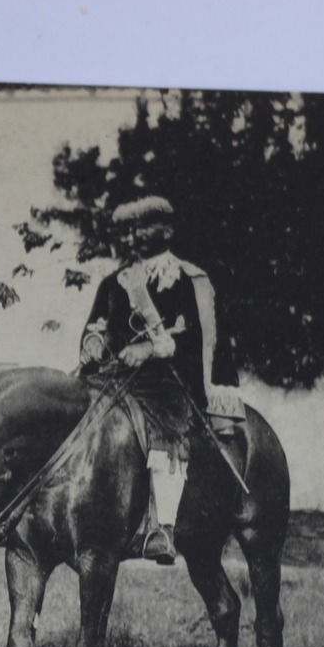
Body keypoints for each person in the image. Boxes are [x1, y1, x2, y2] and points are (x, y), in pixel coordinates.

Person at [78, 195, 243, 563]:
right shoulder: (115, 282)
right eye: (131, 228)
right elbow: (97, 325)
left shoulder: (188, 280)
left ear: (167, 229)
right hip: (114, 377)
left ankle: (163, 528)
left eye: (143, 226)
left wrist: (150, 350)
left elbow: (198, 336)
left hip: (166, 384)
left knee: (166, 431)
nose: (135, 234)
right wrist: (92, 344)